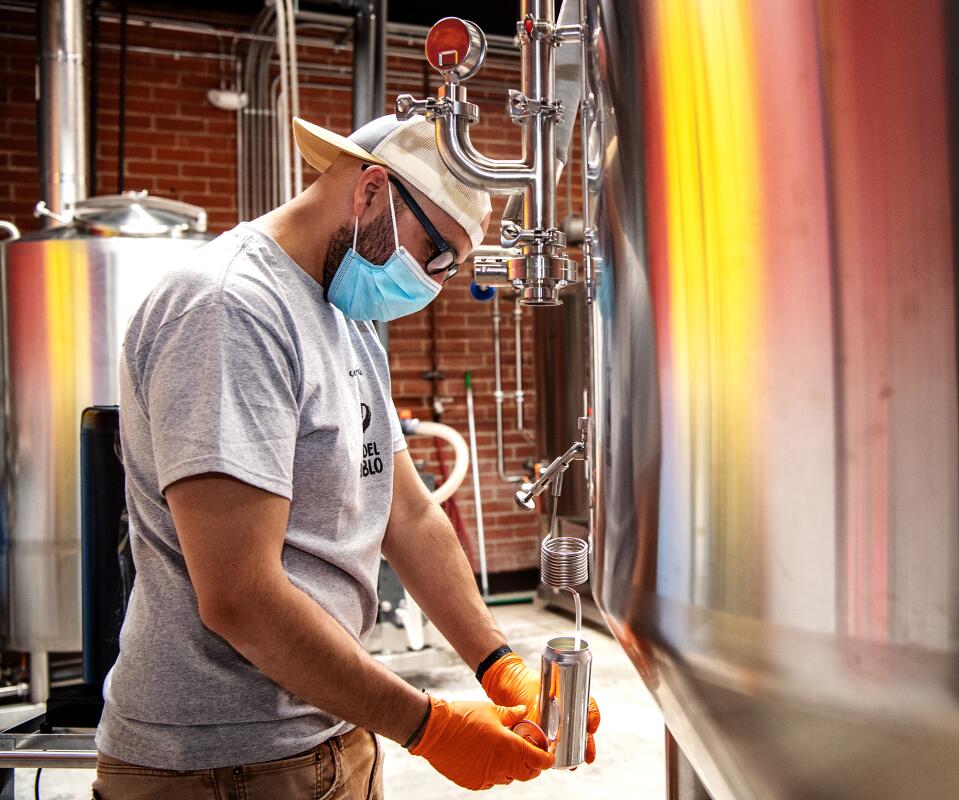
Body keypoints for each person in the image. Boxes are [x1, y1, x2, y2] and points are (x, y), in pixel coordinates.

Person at [91, 115, 600, 799]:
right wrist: (429, 727)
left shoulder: (342, 316)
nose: (437, 282)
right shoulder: (227, 309)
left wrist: (499, 663)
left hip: (331, 732)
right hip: (220, 766)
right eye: (438, 254)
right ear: (370, 193)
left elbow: (409, 514)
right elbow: (240, 597)